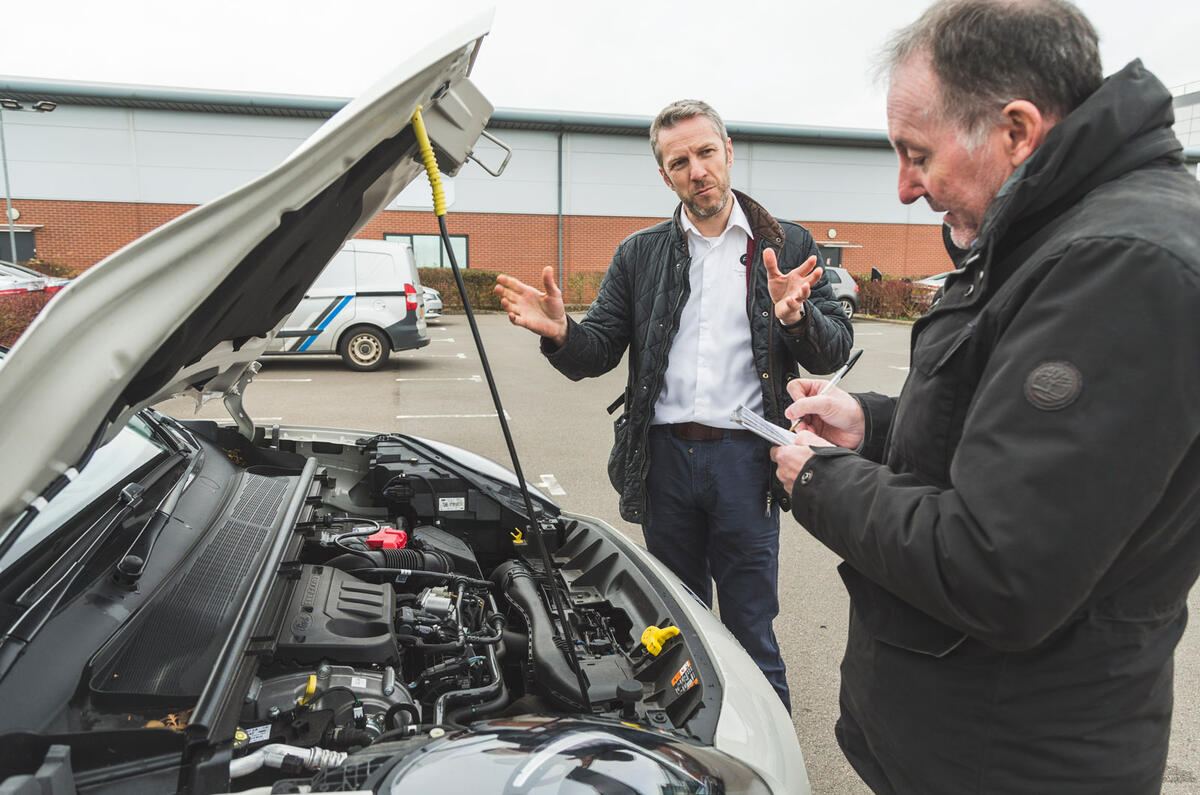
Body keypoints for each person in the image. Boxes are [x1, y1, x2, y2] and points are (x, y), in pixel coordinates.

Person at [769, 0, 1200, 791]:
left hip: (1016, 759)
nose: (905, 188)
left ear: (1016, 131)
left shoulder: (1120, 265)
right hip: (961, 740)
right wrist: (870, 426)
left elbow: (998, 566)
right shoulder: (1047, 234)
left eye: (918, 154)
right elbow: (1001, 439)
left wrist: (821, 481)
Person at [495, 100, 853, 709]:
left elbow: (833, 349)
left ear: (728, 152)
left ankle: (766, 753)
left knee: (750, 630)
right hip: (663, 463)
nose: (697, 171)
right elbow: (598, 350)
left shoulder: (785, 242)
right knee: (673, 631)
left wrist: (797, 318)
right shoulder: (640, 252)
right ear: (665, 175)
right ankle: (690, 749)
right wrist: (560, 332)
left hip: (746, 463)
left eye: (706, 153)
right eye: (679, 162)